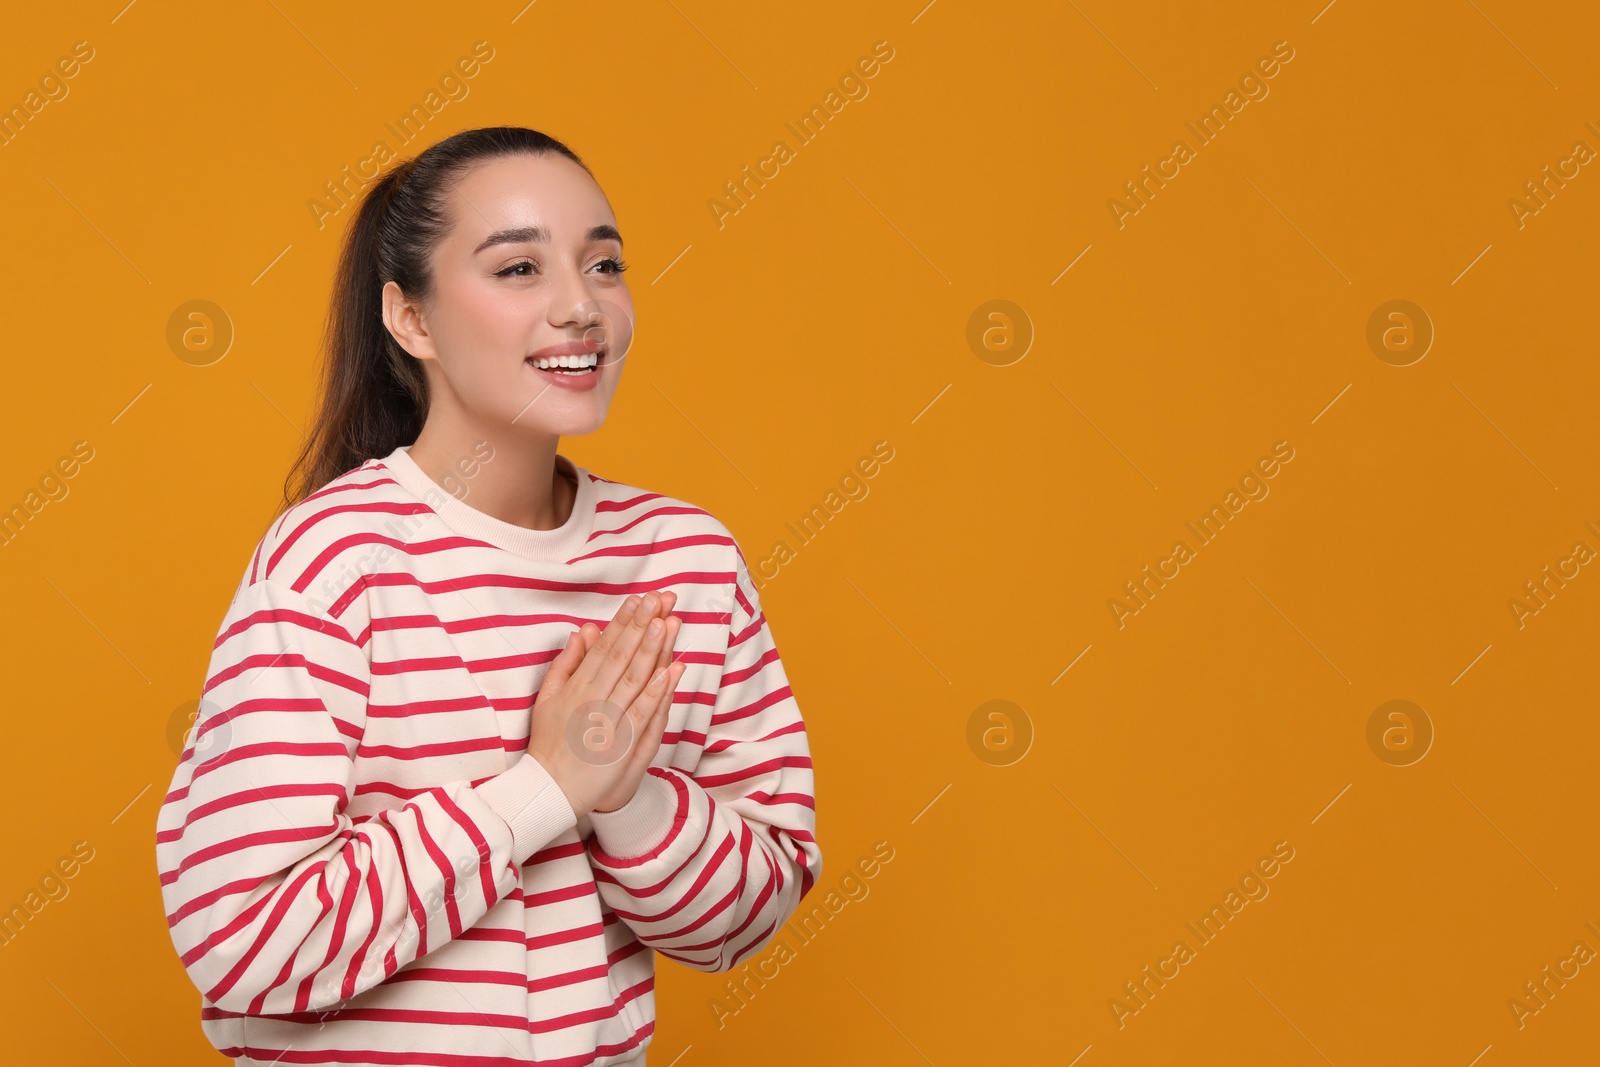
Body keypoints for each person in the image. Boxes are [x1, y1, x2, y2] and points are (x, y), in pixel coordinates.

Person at [154, 126, 822, 1066]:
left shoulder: (686, 561)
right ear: (412, 320)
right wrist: (545, 789)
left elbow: (744, 918)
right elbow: (240, 937)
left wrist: (626, 795)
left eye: (605, 263)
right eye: (518, 268)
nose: (580, 306)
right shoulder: (336, 560)